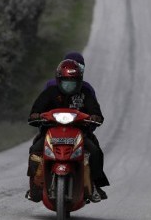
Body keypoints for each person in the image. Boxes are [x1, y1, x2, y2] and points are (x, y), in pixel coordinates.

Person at [26, 59, 108, 203]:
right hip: (50, 132)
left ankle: (94, 185)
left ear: (79, 81)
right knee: (35, 150)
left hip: (80, 132)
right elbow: (36, 109)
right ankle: (35, 186)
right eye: (65, 81)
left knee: (95, 152)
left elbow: (96, 111)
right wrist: (36, 115)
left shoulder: (85, 93)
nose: (69, 84)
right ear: (58, 80)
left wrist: (95, 116)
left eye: (73, 81)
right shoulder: (50, 93)